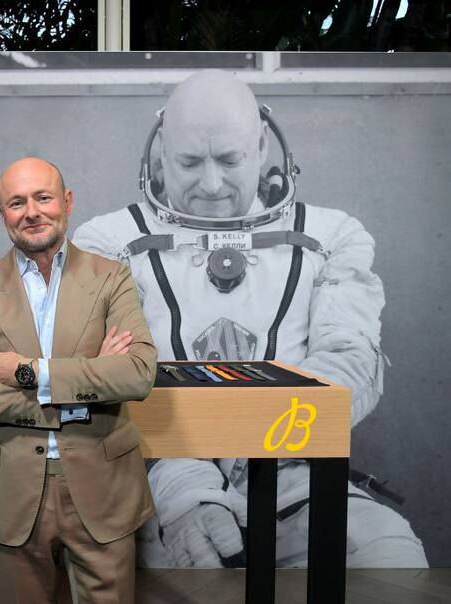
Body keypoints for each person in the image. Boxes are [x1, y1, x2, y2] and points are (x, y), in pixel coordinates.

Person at [73, 70, 427, 568]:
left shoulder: (331, 237)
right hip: (160, 471)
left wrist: (255, 443)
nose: (211, 183)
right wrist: (183, 483)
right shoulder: (107, 242)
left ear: (261, 146)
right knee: (199, 572)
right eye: (189, 162)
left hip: (292, 466)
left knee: (388, 557)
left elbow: (349, 363)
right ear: (160, 154)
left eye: (230, 159)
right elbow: (107, 378)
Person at [0, 157, 158, 603]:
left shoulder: (112, 277)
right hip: (10, 491)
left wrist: (30, 373)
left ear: (67, 202)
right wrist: (84, 392)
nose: (31, 212)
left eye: (43, 198)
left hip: (104, 487)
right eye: (16, 203)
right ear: (2, 213)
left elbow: (138, 373)